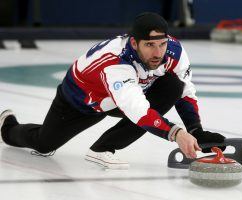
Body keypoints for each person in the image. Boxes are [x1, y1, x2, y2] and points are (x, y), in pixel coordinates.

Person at [0, 12, 225, 169]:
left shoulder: (173, 51)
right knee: (44, 144)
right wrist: (176, 134)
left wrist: (195, 129)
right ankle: (6, 126)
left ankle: (102, 149)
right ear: (134, 43)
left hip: (125, 95)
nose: (158, 53)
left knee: (174, 85)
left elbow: (185, 91)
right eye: (149, 45)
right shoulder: (116, 64)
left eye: (162, 44)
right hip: (81, 100)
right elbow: (138, 111)